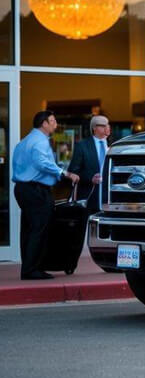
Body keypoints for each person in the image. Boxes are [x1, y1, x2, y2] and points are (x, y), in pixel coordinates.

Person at [12, 110, 80, 280]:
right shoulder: (40, 141)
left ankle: (29, 267)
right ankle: (32, 269)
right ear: (44, 123)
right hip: (36, 190)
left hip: (23, 188)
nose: (55, 124)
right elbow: (41, 163)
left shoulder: (24, 141)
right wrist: (64, 174)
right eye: (53, 121)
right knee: (39, 229)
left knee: (29, 229)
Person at [68, 114, 112, 213]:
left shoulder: (113, 145)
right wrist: (90, 178)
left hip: (110, 197)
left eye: (108, 124)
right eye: (103, 125)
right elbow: (73, 171)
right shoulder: (82, 145)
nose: (107, 127)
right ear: (94, 128)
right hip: (89, 196)